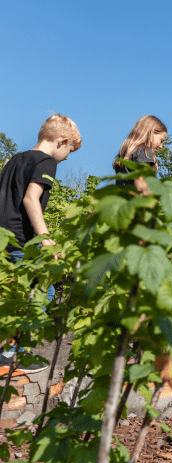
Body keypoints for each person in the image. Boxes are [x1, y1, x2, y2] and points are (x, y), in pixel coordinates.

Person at [0, 113, 82, 375]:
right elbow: (30, 199)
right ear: (62, 141)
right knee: (41, 293)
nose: (68, 157)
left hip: (3, 237)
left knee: (10, 294)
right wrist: (46, 239)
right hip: (21, 239)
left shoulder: (13, 159)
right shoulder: (46, 161)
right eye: (70, 150)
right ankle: (12, 355)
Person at [114, 115, 167, 194]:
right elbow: (140, 181)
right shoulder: (144, 151)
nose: (161, 146)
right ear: (150, 133)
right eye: (161, 140)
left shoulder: (125, 156)